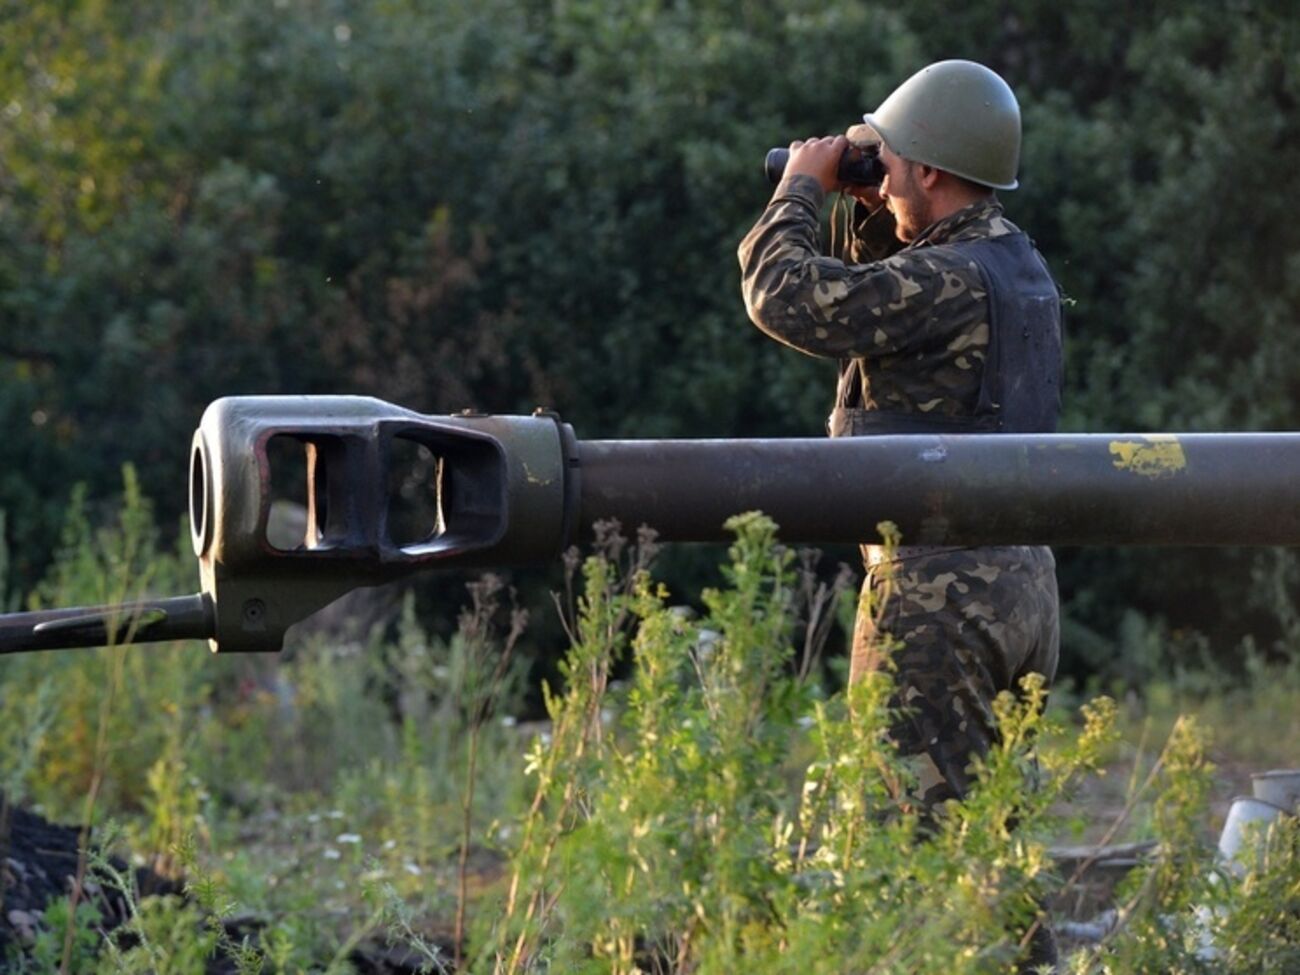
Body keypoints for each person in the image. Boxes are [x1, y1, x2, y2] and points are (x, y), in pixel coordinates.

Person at [738, 59, 1063, 964]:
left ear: (925, 166)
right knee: (990, 850)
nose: (876, 172)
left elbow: (785, 295)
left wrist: (802, 191)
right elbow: (891, 331)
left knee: (909, 858)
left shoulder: (950, 279)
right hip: (1019, 587)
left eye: (889, 159)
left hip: (937, 600)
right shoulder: (1010, 264)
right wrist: (873, 203)